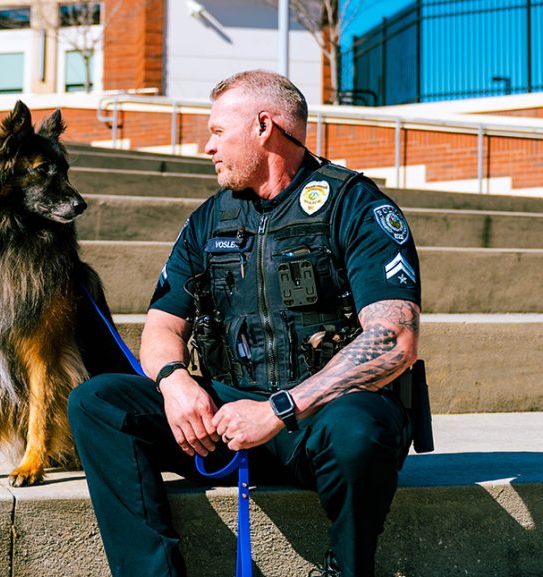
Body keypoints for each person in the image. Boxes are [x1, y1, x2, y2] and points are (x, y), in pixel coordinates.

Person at [68, 69, 421, 577]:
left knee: (358, 430)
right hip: (225, 419)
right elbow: (161, 327)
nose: (207, 147)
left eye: (217, 131)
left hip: (320, 418)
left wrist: (279, 410)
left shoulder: (354, 205)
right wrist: (174, 383)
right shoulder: (209, 220)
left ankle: (347, 568)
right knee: (98, 402)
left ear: (263, 126)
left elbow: (394, 340)